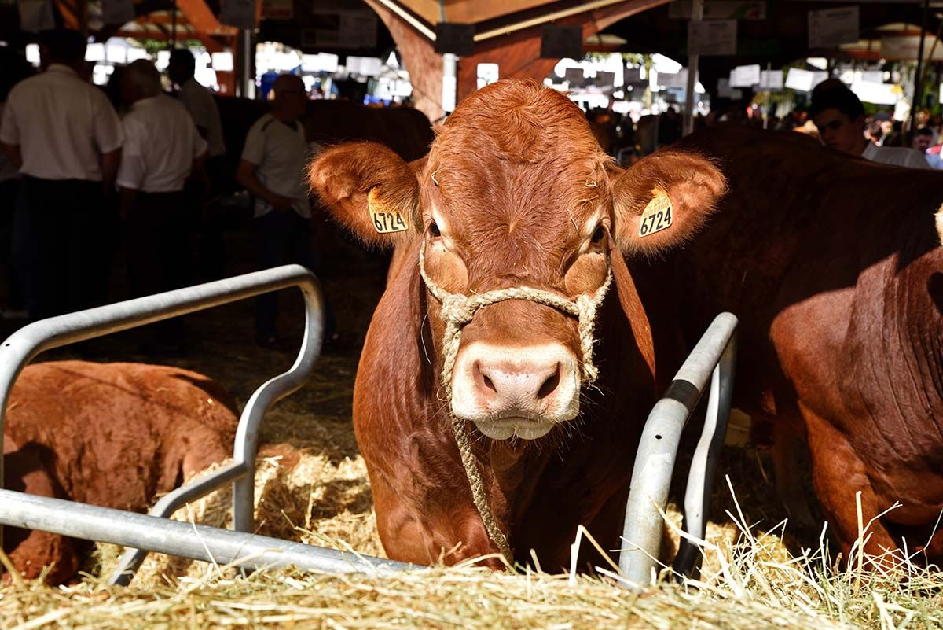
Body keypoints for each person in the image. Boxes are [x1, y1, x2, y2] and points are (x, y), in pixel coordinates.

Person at [0, 29, 123, 319]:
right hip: (83, 190)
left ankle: (41, 329)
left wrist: (29, 164)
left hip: (36, 187)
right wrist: (104, 187)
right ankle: (77, 330)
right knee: (80, 262)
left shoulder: (22, 92)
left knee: (38, 261)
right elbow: (111, 151)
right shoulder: (93, 96)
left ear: (45, 53)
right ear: (80, 57)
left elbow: (8, 142)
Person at [118, 60, 206, 352]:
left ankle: (151, 335)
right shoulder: (177, 110)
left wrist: (122, 212)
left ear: (136, 87)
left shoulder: (134, 122)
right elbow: (200, 153)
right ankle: (173, 330)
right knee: (175, 267)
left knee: (146, 270)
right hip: (176, 199)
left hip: (147, 202)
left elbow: (130, 177)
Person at [167, 49, 227, 280]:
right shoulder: (188, 93)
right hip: (204, 161)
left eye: (172, 64)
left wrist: (197, 170)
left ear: (183, 67)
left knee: (206, 219)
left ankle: (209, 271)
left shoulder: (194, 95)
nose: (169, 69)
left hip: (206, 162)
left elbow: (198, 135)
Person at [810, 80, 929, 169]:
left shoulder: (904, 161)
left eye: (835, 126)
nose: (827, 135)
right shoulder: (822, 172)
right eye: (822, 129)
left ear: (858, 121)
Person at [0, 48, 34, 320]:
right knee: (18, 245)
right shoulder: (23, 98)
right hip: (17, 179)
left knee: (18, 245)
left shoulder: (18, 99)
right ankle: (16, 299)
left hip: (15, 180)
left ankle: (16, 300)